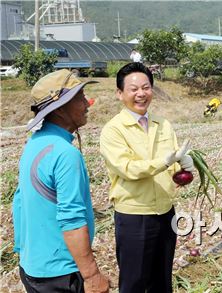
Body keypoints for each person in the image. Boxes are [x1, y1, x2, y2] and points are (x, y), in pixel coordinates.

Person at [99, 62, 194, 293]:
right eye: (133, 89)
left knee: (162, 281)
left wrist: (184, 169)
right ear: (120, 94)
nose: (141, 94)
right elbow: (128, 168)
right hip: (134, 215)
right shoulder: (114, 130)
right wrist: (164, 162)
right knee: (134, 283)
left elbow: (172, 166)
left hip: (165, 212)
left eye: (146, 87)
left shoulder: (163, 125)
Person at [12, 69, 110, 293]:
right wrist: (92, 275)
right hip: (61, 273)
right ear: (61, 108)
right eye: (80, 99)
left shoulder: (35, 143)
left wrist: (24, 250)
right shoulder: (65, 154)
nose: (87, 104)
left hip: (33, 267)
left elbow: (19, 202)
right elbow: (72, 219)